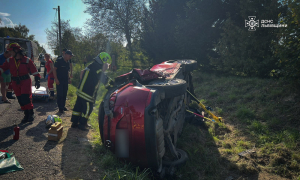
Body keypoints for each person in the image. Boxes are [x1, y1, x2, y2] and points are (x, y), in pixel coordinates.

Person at [0, 43, 41, 123]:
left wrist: (37, 80)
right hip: (15, 82)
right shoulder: (9, 60)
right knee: (20, 99)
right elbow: (2, 68)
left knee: (26, 97)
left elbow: (34, 70)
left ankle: (31, 113)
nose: (10, 53)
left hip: (25, 81)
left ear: (16, 51)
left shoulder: (26, 60)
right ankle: (26, 114)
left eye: (11, 51)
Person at [71, 52, 112, 131]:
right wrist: (111, 85)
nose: (107, 67)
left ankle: (74, 122)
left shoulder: (92, 65)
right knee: (88, 109)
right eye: (106, 65)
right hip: (87, 92)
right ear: (103, 61)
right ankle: (82, 124)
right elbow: (104, 78)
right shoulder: (98, 68)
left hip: (81, 90)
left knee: (78, 107)